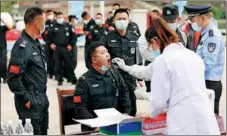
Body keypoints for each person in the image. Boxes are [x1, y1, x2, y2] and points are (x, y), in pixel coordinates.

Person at [114, 16, 220, 135]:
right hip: (206, 120)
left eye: (150, 47)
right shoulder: (193, 56)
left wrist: (150, 113)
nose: (151, 50)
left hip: (184, 124)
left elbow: (159, 101)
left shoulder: (163, 60)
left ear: (154, 41)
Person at [6, 7, 49, 135]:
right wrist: (26, 99)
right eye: (44, 22)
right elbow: (13, 78)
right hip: (30, 104)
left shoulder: (35, 43)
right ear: (37, 24)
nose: (45, 25)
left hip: (41, 99)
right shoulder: (22, 46)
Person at [74, 42, 131, 132]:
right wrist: (94, 126)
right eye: (103, 53)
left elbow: (124, 92)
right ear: (94, 60)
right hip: (94, 127)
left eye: (107, 51)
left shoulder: (114, 73)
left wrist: (126, 115)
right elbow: (80, 107)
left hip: (115, 123)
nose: (108, 54)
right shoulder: (84, 81)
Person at [184, 5, 225, 116]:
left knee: (210, 121)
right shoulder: (205, 33)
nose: (191, 22)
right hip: (203, 82)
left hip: (210, 84)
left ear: (202, 18)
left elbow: (208, 65)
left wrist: (188, 70)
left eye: (193, 19)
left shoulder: (213, 36)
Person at [102, 8, 142, 116]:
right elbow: (102, 59)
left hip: (130, 78)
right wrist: (103, 73)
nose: (122, 21)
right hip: (112, 78)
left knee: (131, 106)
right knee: (115, 107)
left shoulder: (135, 37)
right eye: (119, 19)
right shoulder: (107, 38)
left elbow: (138, 59)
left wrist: (140, 78)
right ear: (114, 21)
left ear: (129, 20)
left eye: (124, 18)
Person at [48, 12, 77, 86]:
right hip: (57, 48)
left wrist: (71, 44)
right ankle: (59, 79)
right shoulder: (53, 26)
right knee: (58, 65)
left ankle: (72, 78)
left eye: (61, 17)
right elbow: (48, 37)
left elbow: (74, 36)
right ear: (56, 18)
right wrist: (51, 44)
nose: (60, 19)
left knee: (69, 64)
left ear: (63, 17)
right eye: (58, 17)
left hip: (66, 48)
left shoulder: (68, 25)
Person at [41, 9, 56, 79]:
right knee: (48, 59)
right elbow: (43, 35)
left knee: (56, 60)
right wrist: (49, 43)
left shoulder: (56, 23)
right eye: (48, 14)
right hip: (48, 44)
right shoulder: (45, 24)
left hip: (56, 45)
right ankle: (49, 73)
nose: (49, 15)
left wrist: (54, 43)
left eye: (51, 14)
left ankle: (57, 73)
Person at [0, 16, 12, 83]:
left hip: (2, 47)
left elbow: (10, 27)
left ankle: (5, 77)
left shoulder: (3, 27)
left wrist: (3, 21)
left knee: (3, 62)